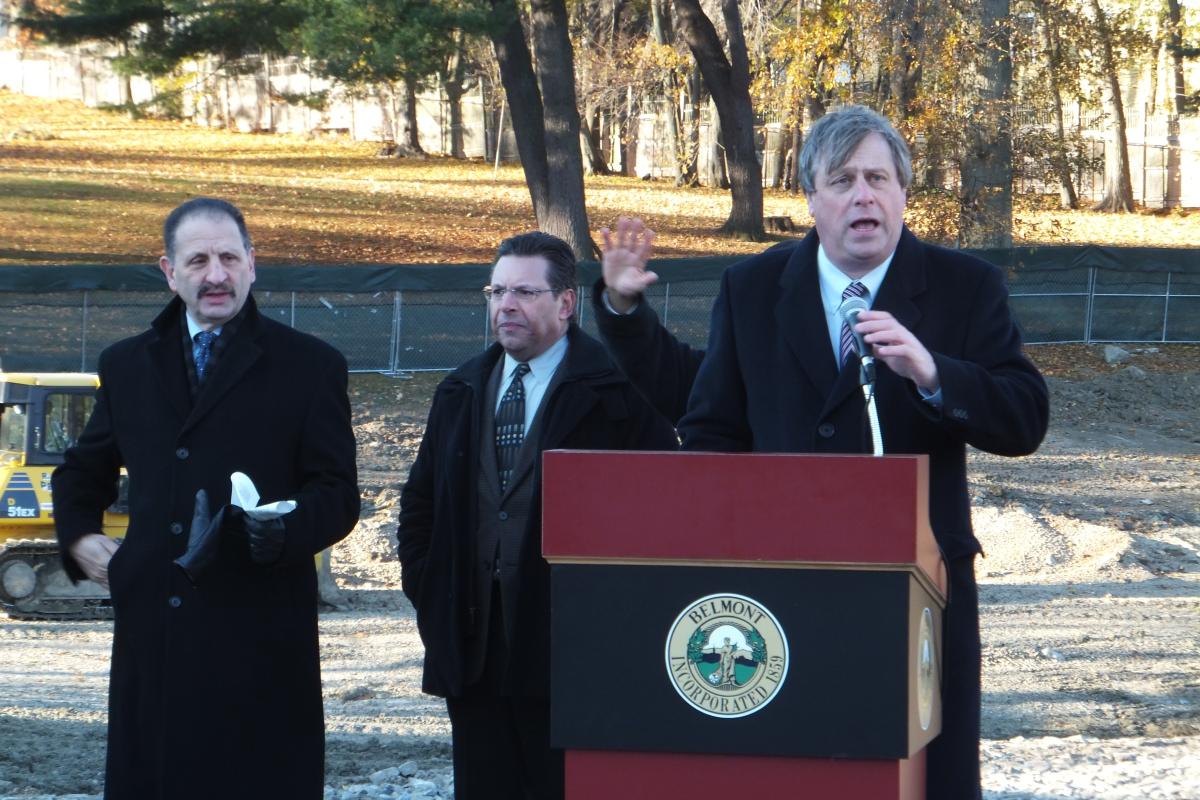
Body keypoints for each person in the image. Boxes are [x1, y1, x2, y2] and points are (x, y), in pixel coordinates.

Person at [594, 107, 1050, 800]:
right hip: (782, 590)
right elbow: (713, 429)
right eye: (842, 181)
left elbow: (1024, 419)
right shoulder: (752, 289)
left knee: (925, 777)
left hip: (921, 591)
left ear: (902, 192)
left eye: (877, 178)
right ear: (811, 198)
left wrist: (933, 373)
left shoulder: (965, 286)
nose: (863, 195)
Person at [52, 197, 360, 799]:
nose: (216, 275)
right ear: (169, 272)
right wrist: (80, 538)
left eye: (228, 258)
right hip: (155, 639)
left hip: (259, 638)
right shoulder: (127, 365)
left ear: (252, 263)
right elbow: (81, 473)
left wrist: (282, 532)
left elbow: (337, 494)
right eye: (197, 261)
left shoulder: (311, 366)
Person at [397, 231, 677, 800]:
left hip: (574, 656)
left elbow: (665, 508)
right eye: (496, 292)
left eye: (524, 293)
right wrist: (428, 585)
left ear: (566, 303)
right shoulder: (459, 390)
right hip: (472, 651)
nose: (506, 306)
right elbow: (420, 504)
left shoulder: (617, 394)